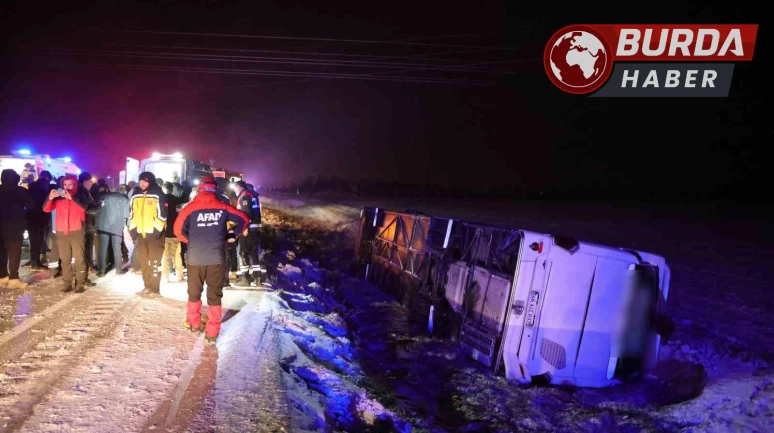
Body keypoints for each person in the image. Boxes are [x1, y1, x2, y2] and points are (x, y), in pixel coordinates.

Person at [174, 178, 248, 343]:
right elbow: (244, 218)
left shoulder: (190, 208)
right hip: (216, 258)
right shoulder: (222, 206)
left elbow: (177, 230)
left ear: (200, 190)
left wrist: (192, 241)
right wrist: (232, 234)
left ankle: (193, 323)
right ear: (215, 190)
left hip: (195, 258)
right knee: (214, 295)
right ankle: (212, 333)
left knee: (194, 292)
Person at [42, 174, 89, 293]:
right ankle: (67, 283)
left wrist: (72, 199)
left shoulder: (80, 195)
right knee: (65, 259)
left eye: (70, 184)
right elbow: (46, 209)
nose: (67, 187)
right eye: (65, 185)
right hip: (62, 231)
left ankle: (80, 284)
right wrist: (50, 197)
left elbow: (83, 209)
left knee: (79, 259)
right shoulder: (58, 197)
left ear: (75, 184)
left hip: (77, 231)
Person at [128, 172, 167, 297]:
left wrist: (157, 231)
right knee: (144, 263)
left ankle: (155, 288)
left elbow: (162, 214)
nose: (142, 184)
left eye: (145, 182)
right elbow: (132, 213)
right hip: (141, 234)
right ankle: (147, 286)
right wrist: (133, 229)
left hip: (155, 236)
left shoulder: (158, 194)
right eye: (140, 182)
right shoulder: (136, 195)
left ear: (150, 182)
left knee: (154, 263)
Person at [0, 169, 36, 289]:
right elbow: (31, 205)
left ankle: (2, 276)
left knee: (1, 252)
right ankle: (14, 279)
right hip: (14, 226)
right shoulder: (20, 190)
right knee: (14, 253)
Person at [233, 181, 264, 286]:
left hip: (248, 229)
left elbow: (246, 213)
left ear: (239, 187)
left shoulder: (245, 196)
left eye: (235, 188)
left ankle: (245, 278)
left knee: (242, 253)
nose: (234, 190)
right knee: (253, 254)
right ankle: (257, 278)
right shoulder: (251, 195)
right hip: (255, 229)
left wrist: (244, 228)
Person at [96, 187, 129, 276]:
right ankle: (118, 270)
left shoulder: (103, 196)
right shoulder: (124, 199)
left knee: (103, 248)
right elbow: (126, 215)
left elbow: (97, 209)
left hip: (103, 225)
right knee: (117, 248)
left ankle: (102, 271)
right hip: (117, 226)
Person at [25, 171, 54, 270]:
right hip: (41, 217)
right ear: (48, 178)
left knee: (33, 240)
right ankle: (36, 263)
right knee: (38, 240)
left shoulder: (31, 186)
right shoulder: (46, 187)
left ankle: (33, 260)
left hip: (29, 217)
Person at [161, 182, 184, 282]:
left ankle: (165, 276)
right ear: (172, 189)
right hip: (175, 232)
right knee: (177, 255)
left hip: (164, 232)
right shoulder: (178, 200)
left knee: (165, 256)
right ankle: (179, 276)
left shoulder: (161, 200)